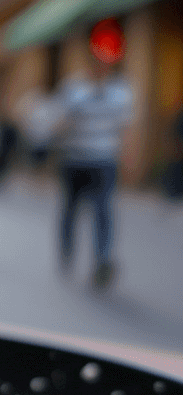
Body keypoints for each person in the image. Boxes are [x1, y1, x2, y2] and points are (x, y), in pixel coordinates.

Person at [53, 21, 134, 290]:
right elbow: (59, 124)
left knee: (103, 212)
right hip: (75, 159)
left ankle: (102, 259)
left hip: (103, 160)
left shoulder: (121, 91)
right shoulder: (73, 88)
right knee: (70, 210)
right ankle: (67, 249)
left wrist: (128, 158)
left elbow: (126, 127)